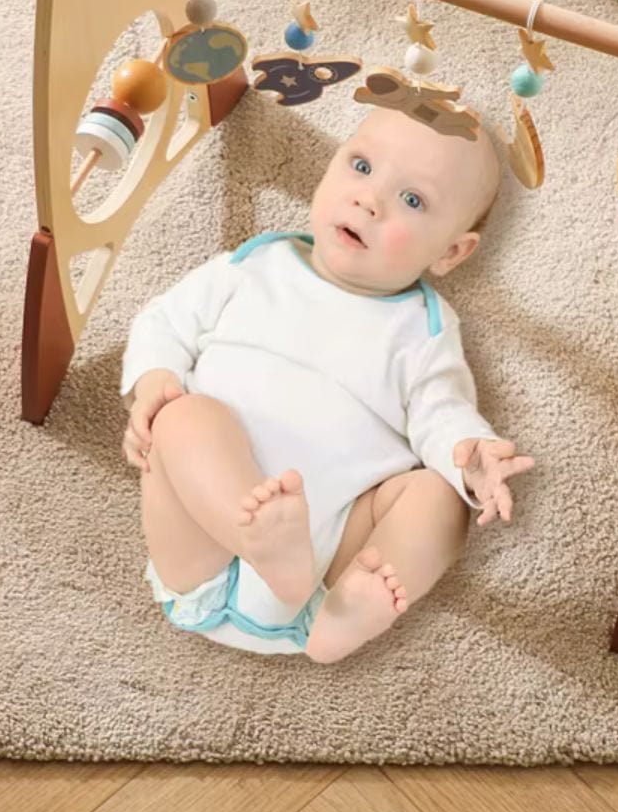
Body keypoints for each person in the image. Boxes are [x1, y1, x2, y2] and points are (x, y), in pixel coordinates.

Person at [121, 103, 535, 663]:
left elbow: (441, 413)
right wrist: (155, 380)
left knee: (438, 497)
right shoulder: (253, 266)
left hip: (329, 561)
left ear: (450, 251)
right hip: (203, 544)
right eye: (361, 167)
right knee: (182, 416)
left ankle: (345, 615)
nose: (369, 200)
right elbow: (163, 324)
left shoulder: (424, 330)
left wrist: (469, 456)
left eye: (412, 200)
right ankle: (262, 545)